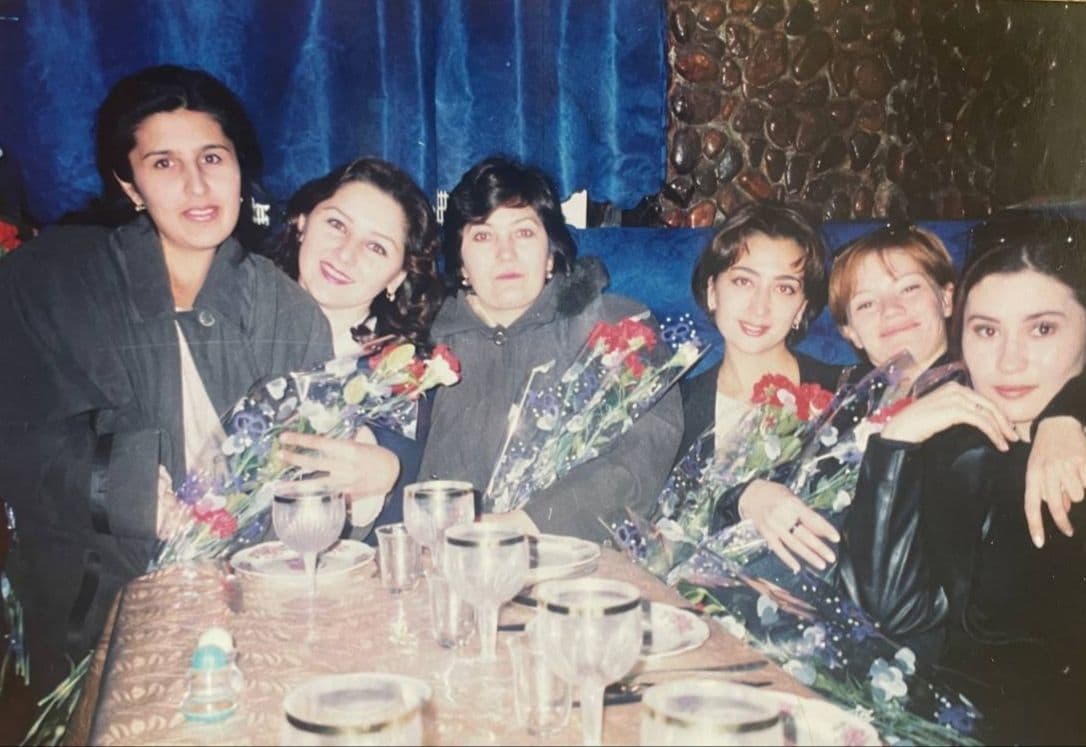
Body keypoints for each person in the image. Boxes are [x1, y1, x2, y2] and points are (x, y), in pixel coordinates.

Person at [0, 65, 332, 695]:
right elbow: (15, 437)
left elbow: (298, 477)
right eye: (163, 163)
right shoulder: (52, 280)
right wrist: (120, 487)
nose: (197, 185)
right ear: (129, 184)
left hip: (251, 623)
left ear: (239, 168)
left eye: (212, 157)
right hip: (97, 625)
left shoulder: (288, 310)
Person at [838, 213, 1086, 743]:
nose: (1010, 360)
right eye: (987, 331)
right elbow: (894, 615)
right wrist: (896, 443)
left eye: (1043, 329)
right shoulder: (955, 447)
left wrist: (1071, 408)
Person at [418, 156, 683, 541]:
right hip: (443, 553)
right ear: (460, 264)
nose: (505, 253)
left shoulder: (614, 326)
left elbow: (645, 450)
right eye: (483, 236)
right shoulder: (421, 346)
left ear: (550, 255)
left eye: (524, 233)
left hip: (576, 554)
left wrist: (532, 522)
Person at [267, 158, 445, 534]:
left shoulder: (406, 375)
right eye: (336, 225)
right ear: (302, 222)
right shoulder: (233, 322)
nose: (346, 253)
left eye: (376, 247)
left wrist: (382, 471)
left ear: (398, 276)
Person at [678, 202, 840, 459]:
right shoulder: (676, 408)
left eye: (784, 288)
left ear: (801, 308)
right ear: (712, 292)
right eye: (743, 281)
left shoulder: (842, 394)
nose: (760, 307)